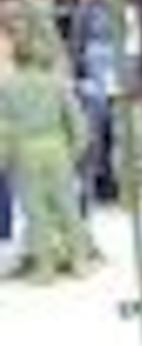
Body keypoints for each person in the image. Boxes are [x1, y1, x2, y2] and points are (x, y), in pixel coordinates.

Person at [0, 29, 94, 282]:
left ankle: (45, 267)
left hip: (24, 152)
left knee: (35, 212)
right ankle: (80, 261)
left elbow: (3, 127)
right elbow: (77, 121)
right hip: (57, 148)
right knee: (68, 206)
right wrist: (75, 150)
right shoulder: (57, 83)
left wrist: (4, 159)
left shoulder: (6, 87)